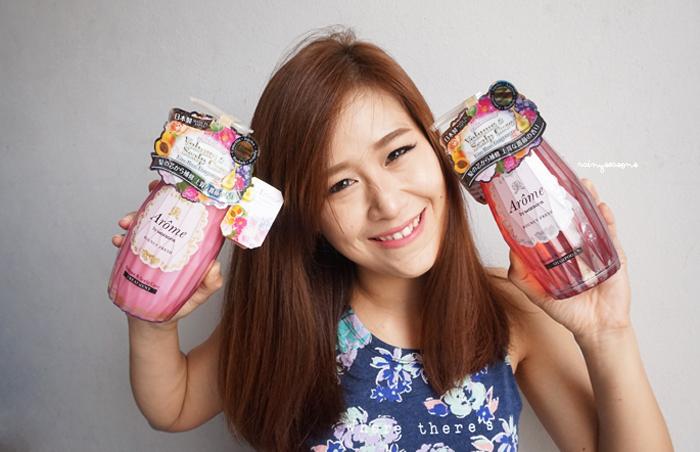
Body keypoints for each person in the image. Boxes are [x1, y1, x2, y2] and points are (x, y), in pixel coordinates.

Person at [111, 27, 673, 451]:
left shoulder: (509, 308)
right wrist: (152, 313)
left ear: (439, 150)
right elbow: (174, 406)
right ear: (305, 213)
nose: (387, 201)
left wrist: (608, 333)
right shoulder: (291, 317)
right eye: (340, 184)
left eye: (398, 152)